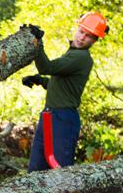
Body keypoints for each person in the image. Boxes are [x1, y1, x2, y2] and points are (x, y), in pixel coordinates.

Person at [22, 12, 109, 171]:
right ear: (77, 29)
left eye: (88, 36)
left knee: (60, 171)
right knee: (35, 169)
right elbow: (62, 85)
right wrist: (39, 80)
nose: (82, 37)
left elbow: (46, 67)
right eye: (81, 32)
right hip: (49, 115)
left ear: (95, 40)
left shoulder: (81, 57)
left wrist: (38, 43)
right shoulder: (72, 53)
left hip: (63, 119)